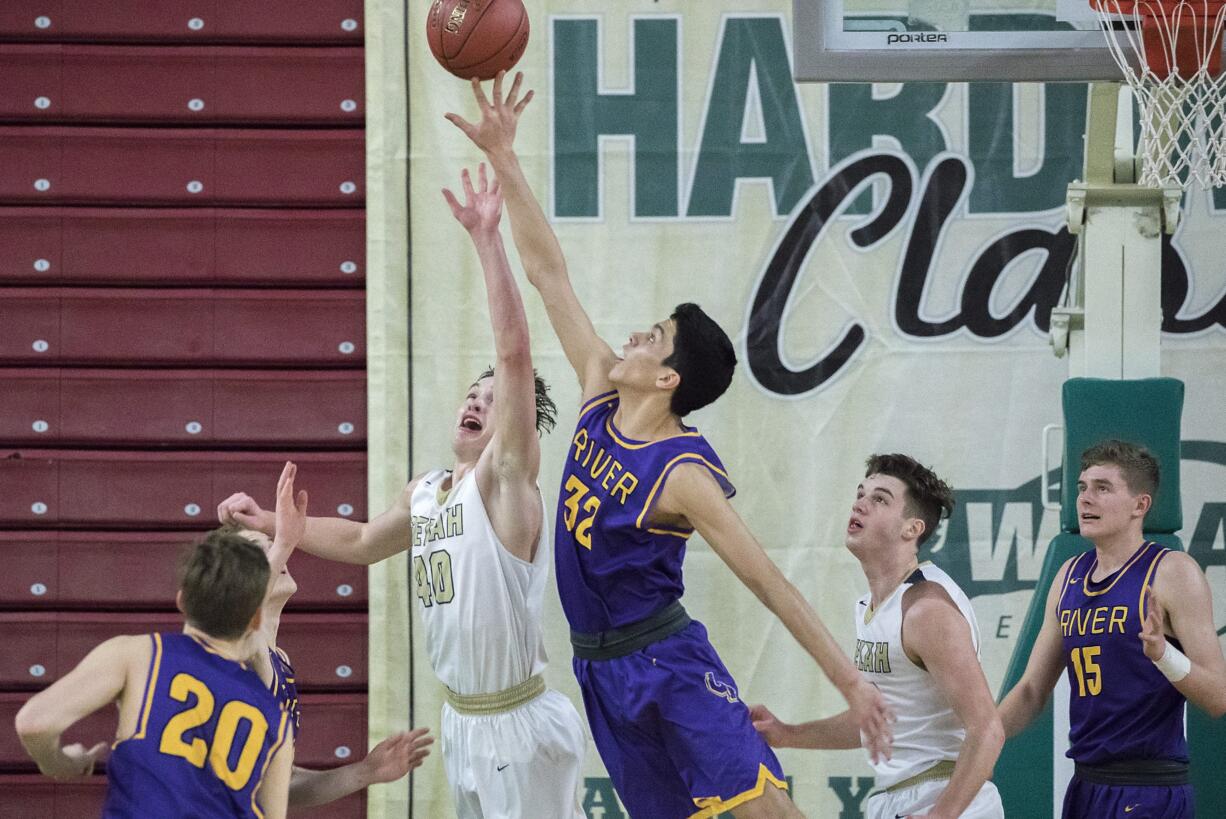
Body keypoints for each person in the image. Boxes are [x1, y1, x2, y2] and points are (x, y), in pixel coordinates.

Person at [445, 70, 894, 818]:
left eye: (650, 337)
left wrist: (850, 682)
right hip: (601, 673)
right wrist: (507, 161)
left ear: (668, 378)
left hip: (669, 664)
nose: (630, 336)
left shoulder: (683, 473)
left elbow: (771, 586)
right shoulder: (597, 393)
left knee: (764, 812)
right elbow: (547, 272)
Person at [217, 165, 586, 819]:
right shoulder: (428, 491)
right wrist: (272, 523)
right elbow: (360, 541)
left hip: (518, 724)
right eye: (472, 393)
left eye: (492, 399)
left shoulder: (507, 486)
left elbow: (515, 351)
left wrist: (487, 238)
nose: (476, 399)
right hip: (463, 721)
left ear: (517, 429)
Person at [14, 463, 306, 819]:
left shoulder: (141, 654)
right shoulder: (273, 714)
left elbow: (34, 723)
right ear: (256, 616)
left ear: (182, 600)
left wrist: (61, 762)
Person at [751, 454, 1005, 819]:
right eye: (861, 493)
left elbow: (987, 729)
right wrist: (788, 734)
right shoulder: (874, 606)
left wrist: (941, 815)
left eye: (880, 499)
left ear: (911, 529)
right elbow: (878, 721)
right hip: (899, 798)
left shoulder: (926, 609)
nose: (860, 503)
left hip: (944, 797)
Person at [998, 439, 1226, 818]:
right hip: (1086, 785)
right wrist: (979, 740)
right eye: (1082, 488)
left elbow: (1218, 697)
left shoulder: (1172, 572)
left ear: (1140, 505)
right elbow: (1031, 690)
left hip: (1148, 787)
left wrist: (1164, 655)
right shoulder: (1068, 576)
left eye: (1103, 488)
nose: (1086, 499)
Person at [238, 525, 433, 808]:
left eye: (273, 544)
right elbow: (238, 617)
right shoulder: (243, 649)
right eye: (258, 553)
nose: (275, 550)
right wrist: (283, 540)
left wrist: (364, 772)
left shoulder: (278, 658)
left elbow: (279, 786)